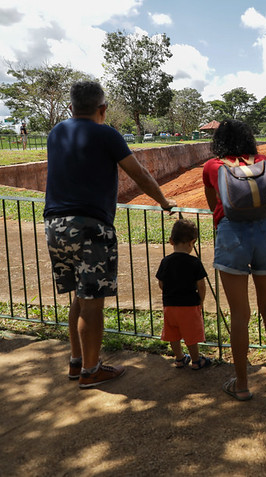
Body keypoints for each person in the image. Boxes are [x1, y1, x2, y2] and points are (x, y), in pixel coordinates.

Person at [44, 80, 176, 389]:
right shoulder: (107, 134)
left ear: (70, 108)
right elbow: (138, 173)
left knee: (78, 294)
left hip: (55, 225)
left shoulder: (56, 133)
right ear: (102, 109)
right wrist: (163, 201)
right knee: (93, 302)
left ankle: (77, 362)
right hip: (90, 227)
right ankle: (92, 370)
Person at [202, 119, 266, 401]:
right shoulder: (263, 160)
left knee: (240, 314)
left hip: (232, 234)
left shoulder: (213, 167)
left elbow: (214, 205)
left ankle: (241, 384)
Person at [157, 218, 211, 370]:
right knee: (191, 335)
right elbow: (201, 284)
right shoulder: (194, 262)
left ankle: (179, 358)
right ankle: (196, 360)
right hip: (189, 305)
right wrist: (201, 300)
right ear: (192, 242)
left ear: (171, 241)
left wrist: (169, 291)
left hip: (169, 305)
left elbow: (161, 283)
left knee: (173, 334)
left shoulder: (165, 261)